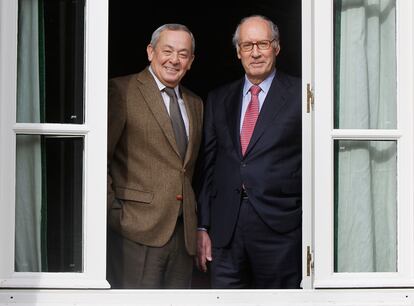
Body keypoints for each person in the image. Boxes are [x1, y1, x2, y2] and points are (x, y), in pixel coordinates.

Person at [196, 15, 302, 289]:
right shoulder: (219, 98)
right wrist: (203, 227)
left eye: (263, 44)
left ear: (276, 47)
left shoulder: (301, 95)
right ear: (238, 52)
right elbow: (209, 166)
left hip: (280, 227)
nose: (255, 52)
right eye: (247, 45)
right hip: (226, 231)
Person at [107, 23, 203, 289]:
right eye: (168, 50)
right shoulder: (122, 91)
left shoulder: (196, 103)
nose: (174, 60)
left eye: (183, 54)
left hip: (182, 236)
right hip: (135, 230)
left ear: (191, 61)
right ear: (151, 51)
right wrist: (115, 214)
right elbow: (98, 159)